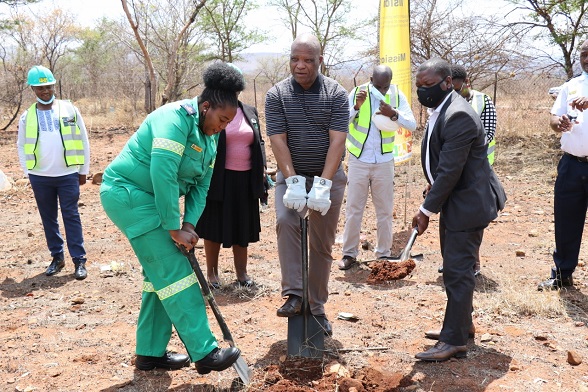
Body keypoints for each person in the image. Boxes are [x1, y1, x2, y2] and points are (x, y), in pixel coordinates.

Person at [100, 62, 245, 373]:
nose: (222, 127)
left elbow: (202, 183)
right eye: (221, 119)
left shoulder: (210, 133)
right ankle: (205, 353)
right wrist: (173, 228)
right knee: (177, 275)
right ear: (206, 106)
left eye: (228, 123)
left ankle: (150, 353)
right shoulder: (173, 119)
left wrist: (190, 224)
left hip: (152, 200)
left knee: (160, 278)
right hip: (129, 195)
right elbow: (162, 174)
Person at [412, 58, 506, 361]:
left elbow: (451, 170)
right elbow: (443, 162)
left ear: (447, 82)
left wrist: (426, 210)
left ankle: (454, 340)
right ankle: (461, 325)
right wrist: (432, 189)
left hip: (467, 202)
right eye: (418, 86)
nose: (422, 91)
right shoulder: (442, 109)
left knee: (458, 271)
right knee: (455, 267)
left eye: (428, 85)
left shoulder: (458, 115)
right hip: (455, 199)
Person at [265, 33, 349, 336]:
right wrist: (294, 180)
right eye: (294, 59)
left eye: (308, 60)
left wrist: (323, 185)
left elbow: (337, 141)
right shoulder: (276, 94)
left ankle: (316, 306)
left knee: (321, 243)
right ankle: (295, 294)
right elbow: (277, 139)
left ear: (320, 61)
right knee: (286, 222)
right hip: (292, 175)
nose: (300, 66)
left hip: (327, 175)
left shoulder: (337, 94)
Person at [338, 65, 416, 270]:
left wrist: (394, 113)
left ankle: (383, 255)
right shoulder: (357, 93)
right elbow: (340, 122)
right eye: (378, 86)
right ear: (371, 79)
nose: (382, 90)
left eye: (385, 86)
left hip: (383, 161)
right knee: (354, 209)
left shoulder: (396, 96)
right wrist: (356, 107)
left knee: (384, 211)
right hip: (359, 160)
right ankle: (349, 254)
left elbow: (412, 124)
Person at [195, 65, 267, 289]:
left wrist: (262, 170)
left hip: (245, 180)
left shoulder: (249, 111)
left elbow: (259, 142)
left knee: (242, 227)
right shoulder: (211, 111)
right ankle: (212, 275)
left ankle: (242, 274)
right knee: (214, 227)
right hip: (218, 178)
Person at [17, 65, 90, 280]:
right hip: (40, 176)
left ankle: (79, 261)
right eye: (40, 88)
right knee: (48, 218)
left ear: (53, 85)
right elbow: (21, 145)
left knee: (71, 216)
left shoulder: (69, 110)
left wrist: (83, 169)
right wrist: (27, 172)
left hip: (68, 174)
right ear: (33, 90)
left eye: (47, 86)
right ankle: (57, 258)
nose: (45, 91)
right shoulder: (26, 116)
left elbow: (83, 139)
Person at [436, 65, 499, 276]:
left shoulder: (483, 101)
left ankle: (473, 263)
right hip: (451, 169)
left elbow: (488, 133)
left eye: (456, 87)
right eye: (449, 88)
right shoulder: (444, 104)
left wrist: (461, 147)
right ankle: (451, 262)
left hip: (476, 172)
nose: (453, 92)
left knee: (470, 221)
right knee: (448, 216)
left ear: (466, 82)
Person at [538, 39, 588, 291]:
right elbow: (554, 117)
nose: (587, 59)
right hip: (572, 165)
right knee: (566, 221)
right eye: (584, 54)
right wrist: (560, 123)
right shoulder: (571, 85)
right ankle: (562, 273)